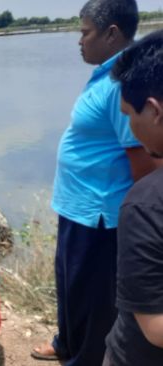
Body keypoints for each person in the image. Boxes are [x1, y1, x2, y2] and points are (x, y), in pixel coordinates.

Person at [33, 1, 160, 364]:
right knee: (70, 287)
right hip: (77, 206)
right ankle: (66, 343)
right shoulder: (106, 75)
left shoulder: (126, 85)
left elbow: (145, 164)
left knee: (93, 298)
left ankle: (83, 357)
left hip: (101, 214)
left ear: (112, 34)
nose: (80, 41)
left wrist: (139, 220)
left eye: (85, 32)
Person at [102, 29, 163, 366]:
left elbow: (154, 327)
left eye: (129, 115)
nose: (130, 126)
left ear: (154, 111)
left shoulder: (147, 204)